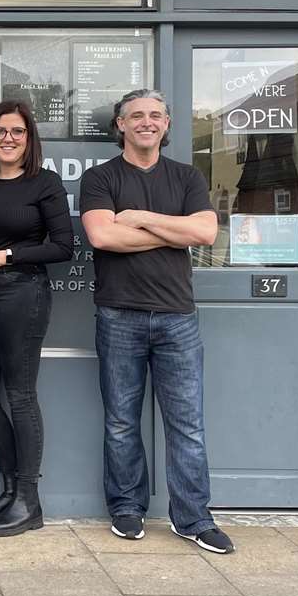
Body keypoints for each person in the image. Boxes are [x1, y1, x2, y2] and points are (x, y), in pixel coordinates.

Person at [78, 88, 234, 555]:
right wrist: (173, 233)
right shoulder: (99, 177)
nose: (147, 122)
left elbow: (206, 231)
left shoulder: (186, 176)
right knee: (121, 422)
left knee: (187, 424)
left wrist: (143, 218)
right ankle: (126, 508)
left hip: (177, 318)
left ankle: (194, 519)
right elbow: (103, 237)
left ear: (166, 126)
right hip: (118, 314)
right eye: (137, 115)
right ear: (120, 125)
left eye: (156, 116)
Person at [0, 101, 73, 537]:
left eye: (17, 132)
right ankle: (11, 487)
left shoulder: (44, 183)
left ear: (30, 139)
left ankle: (30, 500)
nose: (8, 138)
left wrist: (5, 254)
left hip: (22, 293)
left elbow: (63, 246)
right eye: (0, 131)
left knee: (20, 395)